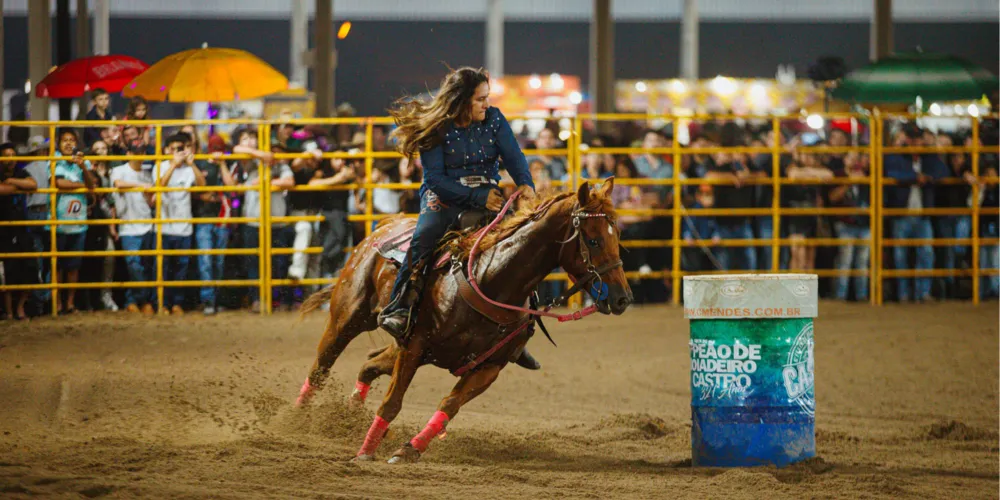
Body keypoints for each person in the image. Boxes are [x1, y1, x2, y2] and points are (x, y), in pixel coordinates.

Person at [377, 66, 540, 370]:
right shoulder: (435, 127)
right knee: (426, 235)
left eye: (487, 98)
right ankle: (399, 306)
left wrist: (525, 184)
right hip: (444, 197)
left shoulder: (494, 119)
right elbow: (435, 180)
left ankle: (520, 330)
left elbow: (514, 157)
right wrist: (479, 198)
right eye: (480, 99)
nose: (486, 104)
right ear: (463, 101)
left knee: (520, 243)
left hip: (487, 194)